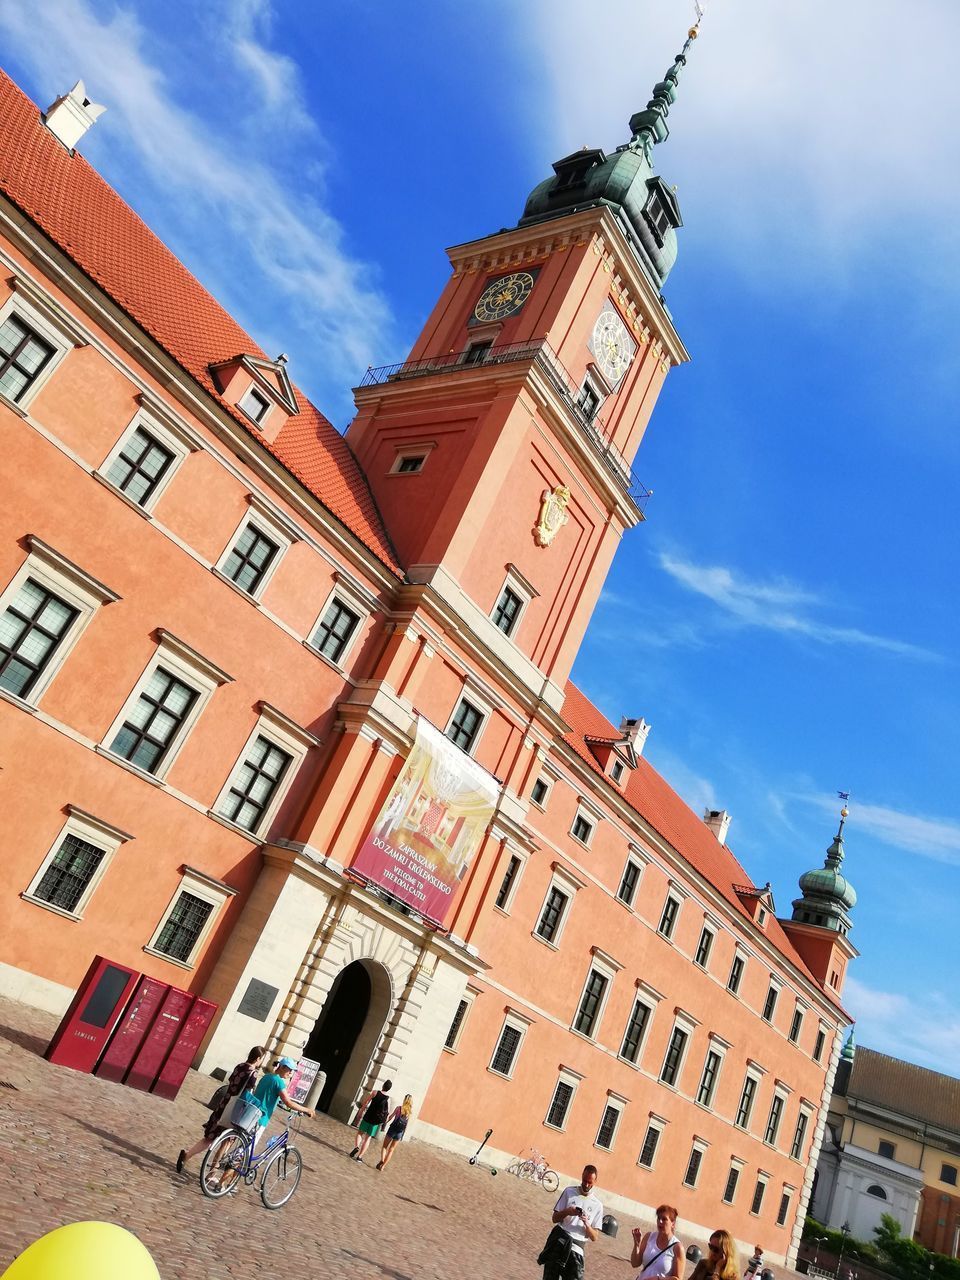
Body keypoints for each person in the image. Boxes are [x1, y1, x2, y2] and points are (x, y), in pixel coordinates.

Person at [176, 1044, 265, 1173]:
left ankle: (187, 1155)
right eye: (262, 1059)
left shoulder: (239, 1066)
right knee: (227, 1141)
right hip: (235, 1110)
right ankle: (212, 1172)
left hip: (224, 1104)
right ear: (258, 1058)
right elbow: (248, 1094)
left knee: (209, 1137)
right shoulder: (252, 1073)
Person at [544, 1164, 604, 1280]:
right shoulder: (569, 1192)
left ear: (595, 1181)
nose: (586, 1185)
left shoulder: (598, 1205)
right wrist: (567, 1211)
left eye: (590, 1182)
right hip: (559, 1242)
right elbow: (554, 1218)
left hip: (577, 1249)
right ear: (582, 1176)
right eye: (585, 1180)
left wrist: (587, 1224)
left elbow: (595, 1237)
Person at [250, 1055, 314, 1147]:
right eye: (290, 1070)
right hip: (261, 1117)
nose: (290, 1073)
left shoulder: (267, 1076)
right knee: (247, 1151)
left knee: (245, 1146)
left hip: (251, 1112)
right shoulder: (279, 1082)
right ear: (282, 1067)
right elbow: (288, 1103)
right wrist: (307, 1110)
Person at [631, 1205, 683, 1280]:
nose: (660, 1221)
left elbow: (678, 1279)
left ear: (673, 1223)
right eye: (658, 1218)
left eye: (664, 1219)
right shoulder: (649, 1237)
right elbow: (635, 1263)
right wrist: (637, 1245)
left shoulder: (677, 1247)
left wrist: (658, 1279)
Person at [350, 1079, 393, 1162]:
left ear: (383, 1085)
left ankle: (356, 1147)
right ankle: (359, 1157)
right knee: (367, 1139)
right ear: (389, 1089)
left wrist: (360, 1112)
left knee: (360, 1133)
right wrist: (384, 1123)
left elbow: (366, 1103)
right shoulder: (388, 1099)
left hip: (367, 1117)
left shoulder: (375, 1092)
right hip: (376, 1122)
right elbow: (387, 1113)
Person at [376, 1093, 413, 1170]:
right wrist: (402, 1135)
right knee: (391, 1149)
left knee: (384, 1147)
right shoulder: (409, 1113)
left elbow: (390, 1117)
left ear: (404, 1100)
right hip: (400, 1132)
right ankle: (383, 1166)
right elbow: (406, 1125)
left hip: (392, 1129)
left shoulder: (399, 1108)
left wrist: (385, 1123)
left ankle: (382, 1160)